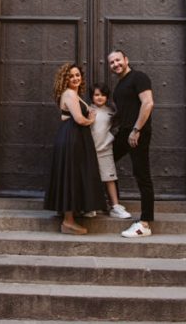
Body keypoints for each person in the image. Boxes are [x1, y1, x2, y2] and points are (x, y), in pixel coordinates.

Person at [43, 63, 107, 234]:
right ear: (65, 79)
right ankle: (68, 222)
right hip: (72, 137)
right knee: (70, 176)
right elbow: (79, 119)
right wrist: (91, 119)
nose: (75, 78)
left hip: (73, 137)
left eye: (77, 75)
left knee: (72, 176)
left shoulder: (74, 94)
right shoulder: (70, 94)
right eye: (71, 76)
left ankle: (70, 217)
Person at [108, 49, 156, 238]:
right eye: (112, 62)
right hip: (124, 132)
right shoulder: (120, 86)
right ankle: (113, 205)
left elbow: (148, 103)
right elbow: (123, 112)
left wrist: (136, 130)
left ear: (126, 60)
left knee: (142, 174)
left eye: (118, 60)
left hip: (138, 133)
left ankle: (145, 223)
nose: (115, 64)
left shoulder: (139, 77)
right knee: (104, 161)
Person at [88, 83, 133, 220]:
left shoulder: (111, 111)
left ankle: (115, 206)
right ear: (92, 97)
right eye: (96, 95)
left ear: (107, 97)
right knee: (89, 179)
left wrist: (111, 137)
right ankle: (89, 206)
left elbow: (118, 125)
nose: (100, 97)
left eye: (102, 95)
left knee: (110, 178)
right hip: (89, 151)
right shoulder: (88, 110)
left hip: (105, 150)